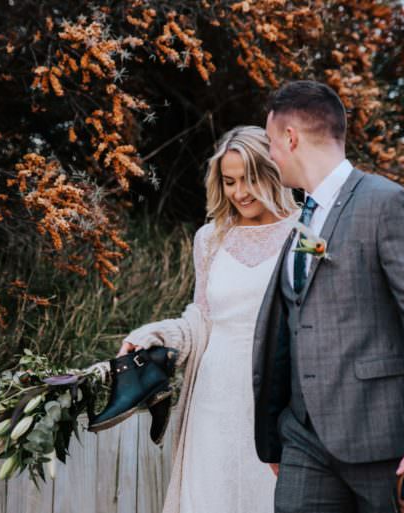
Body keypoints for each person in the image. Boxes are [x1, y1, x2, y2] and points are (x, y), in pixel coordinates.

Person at [252, 80, 404, 513]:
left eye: (271, 143)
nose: (271, 156)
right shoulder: (304, 217)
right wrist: (276, 432)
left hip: (382, 436)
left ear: (290, 138)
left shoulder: (389, 204)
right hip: (303, 438)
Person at [117, 125, 298, 513]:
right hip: (213, 396)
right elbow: (201, 319)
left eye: (249, 179)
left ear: (273, 172)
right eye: (230, 182)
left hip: (276, 397)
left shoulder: (304, 234)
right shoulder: (210, 239)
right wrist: (156, 334)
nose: (240, 192)